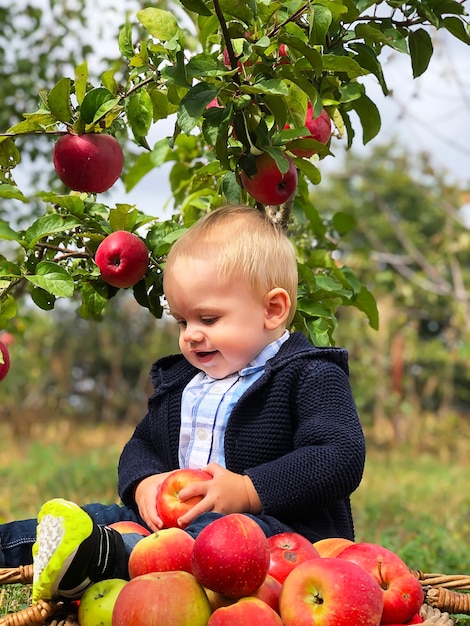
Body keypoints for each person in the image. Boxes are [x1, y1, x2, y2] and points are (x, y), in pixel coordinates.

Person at [0, 204, 366, 604]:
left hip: (274, 537)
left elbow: (338, 456)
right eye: (182, 321)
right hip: (168, 527)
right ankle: (17, 546)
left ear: (272, 310)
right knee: (96, 518)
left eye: (208, 319)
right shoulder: (184, 384)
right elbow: (141, 445)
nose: (191, 335)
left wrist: (247, 490)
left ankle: (106, 561)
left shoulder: (308, 375)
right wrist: (144, 484)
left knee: (205, 540)